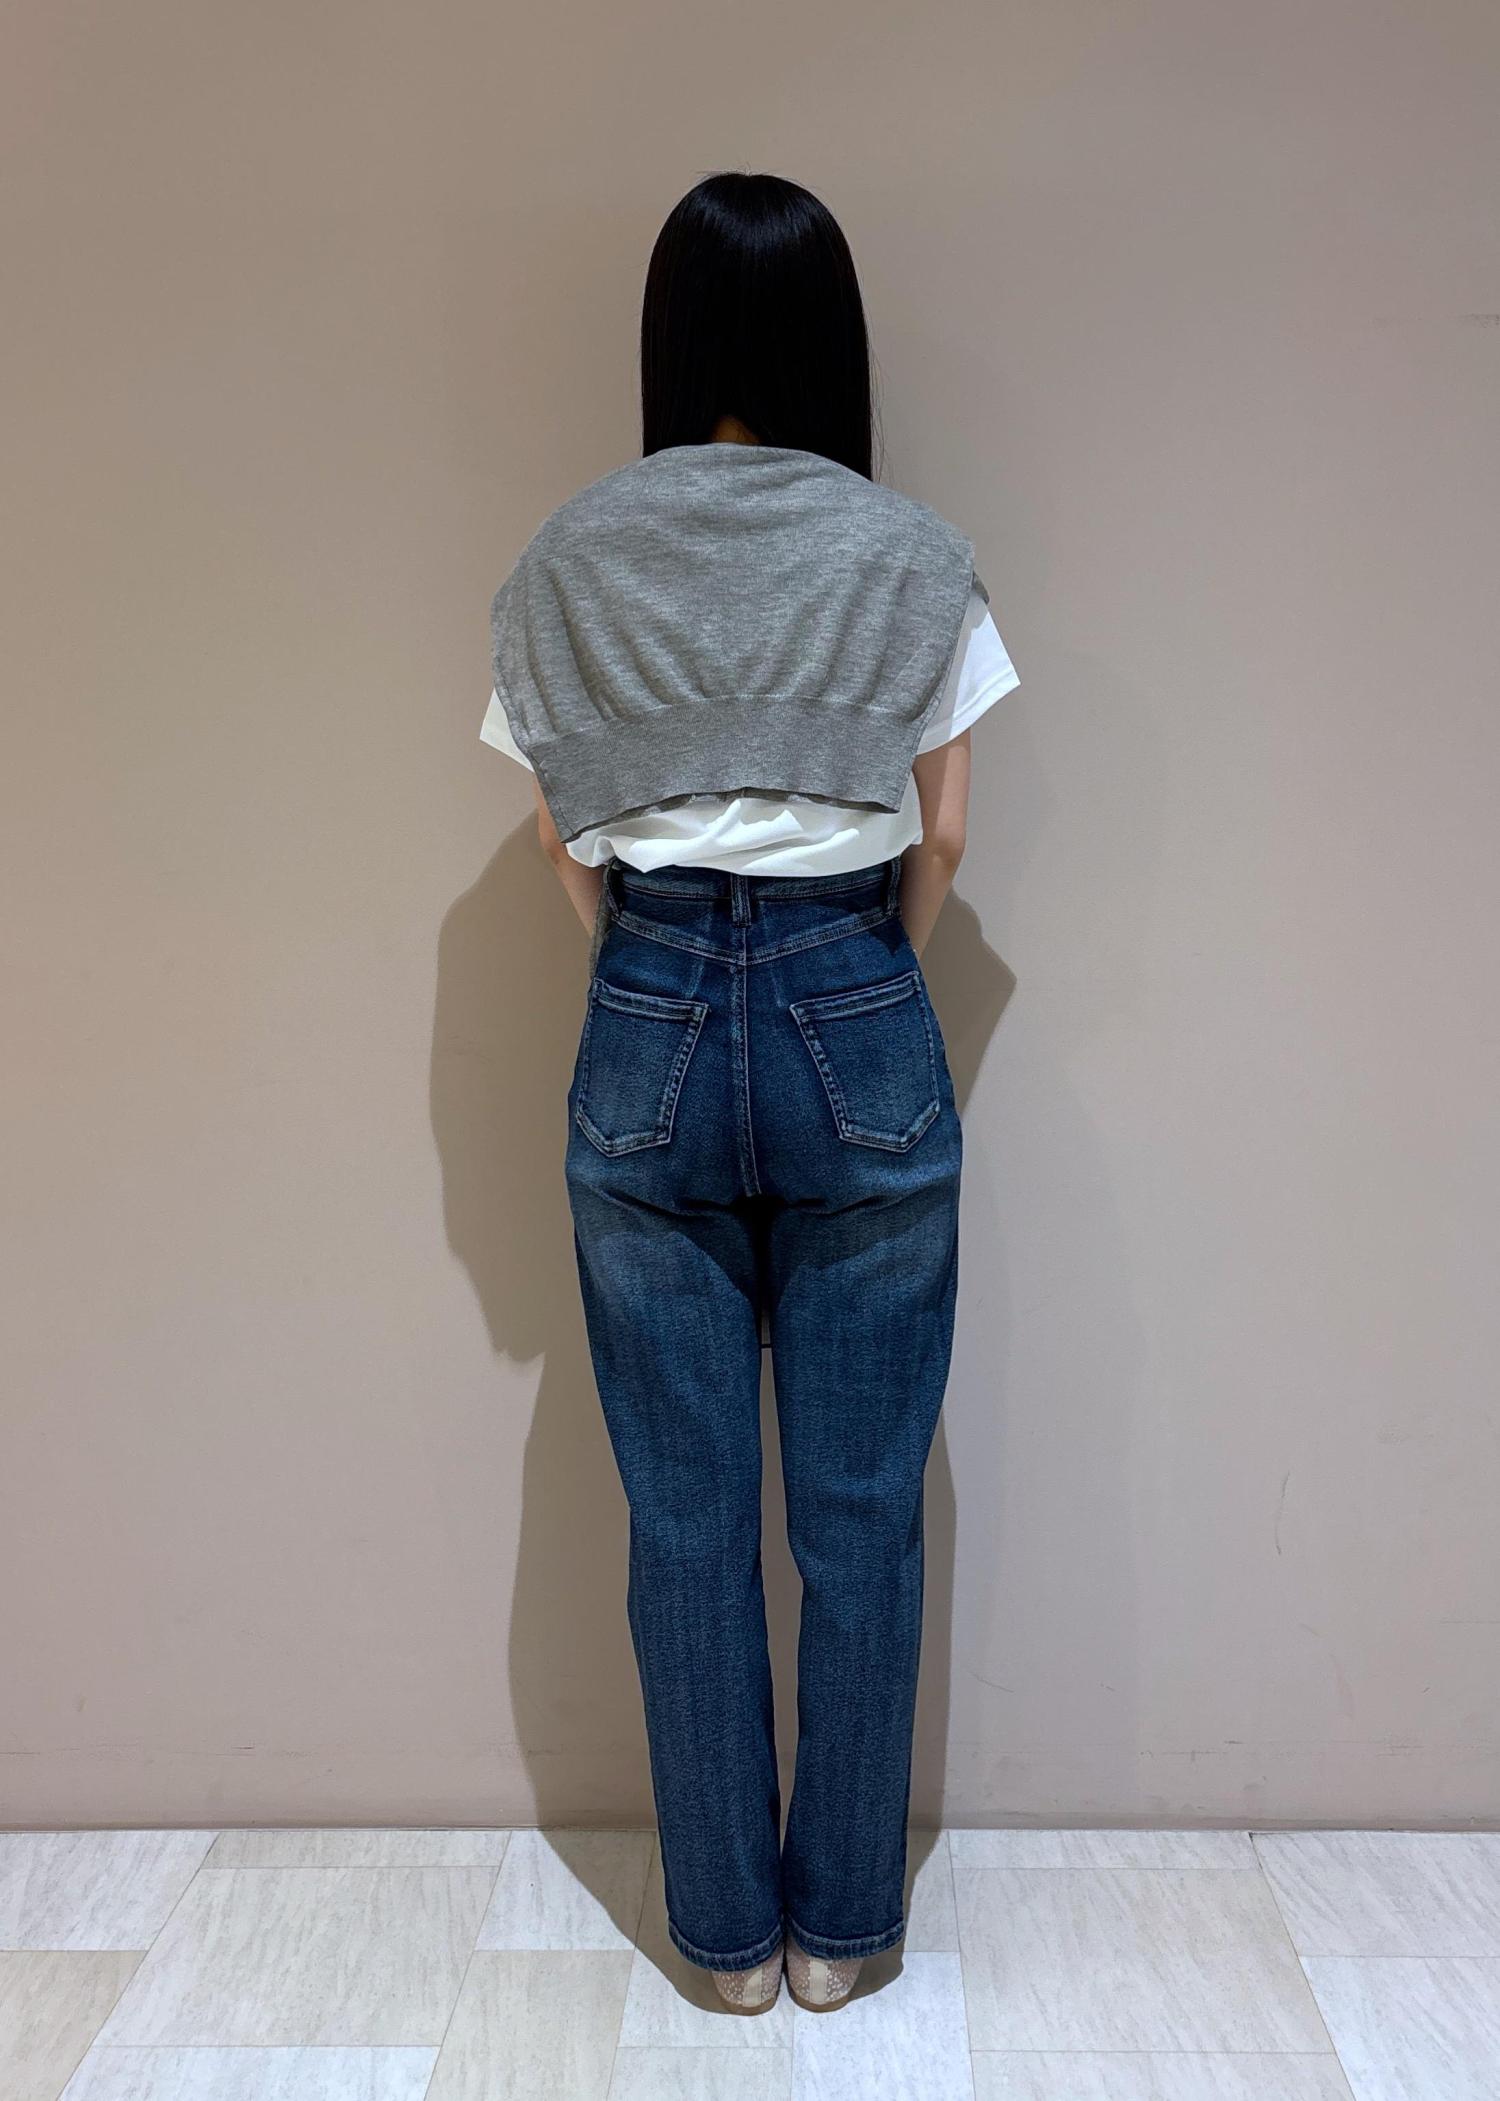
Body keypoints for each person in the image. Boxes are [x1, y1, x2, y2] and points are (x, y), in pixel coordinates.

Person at [483, 171, 1019, 2015]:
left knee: (686, 1518)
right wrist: (859, 971)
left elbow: (556, 838)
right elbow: (945, 834)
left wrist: (654, 964)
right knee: (861, 1511)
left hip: (647, 996)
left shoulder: (567, 558)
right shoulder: (913, 555)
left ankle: (721, 1945)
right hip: (854, 990)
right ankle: (845, 1932)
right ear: (827, 344)